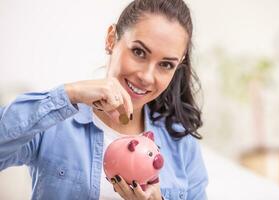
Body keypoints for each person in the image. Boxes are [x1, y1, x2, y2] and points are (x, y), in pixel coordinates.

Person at [0, 0, 208, 199]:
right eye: (139, 52)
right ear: (111, 39)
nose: (146, 76)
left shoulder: (181, 142)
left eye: (166, 65)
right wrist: (71, 93)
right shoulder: (56, 124)